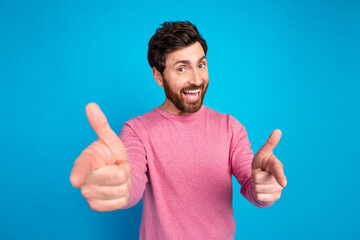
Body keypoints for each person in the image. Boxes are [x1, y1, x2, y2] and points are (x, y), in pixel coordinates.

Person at [70, 21, 287, 239]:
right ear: (158, 76)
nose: (196, 79)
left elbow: (253, 187)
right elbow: (132, 186)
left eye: (201, 65)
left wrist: (265, 188)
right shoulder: (137, 130)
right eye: (182, 68)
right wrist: (118, 183)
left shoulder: (231, 127)